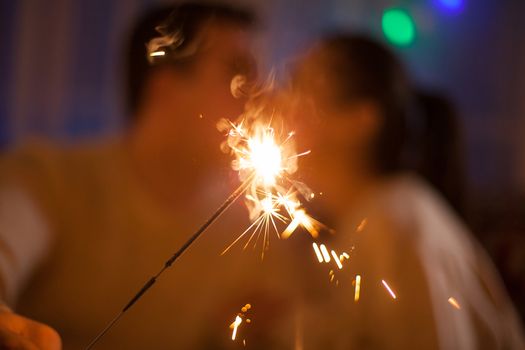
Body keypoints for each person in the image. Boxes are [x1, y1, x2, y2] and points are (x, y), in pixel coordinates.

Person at [0, 3, 281, 349]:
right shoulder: (50, 179)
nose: (263, 98)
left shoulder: (248, 233)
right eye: (239, 73)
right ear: (164, 88)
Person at [290, 34, 525, 349]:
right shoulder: (365, 221)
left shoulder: (395, 221)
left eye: (303, 90)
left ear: (361, 120)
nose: (283, 107)